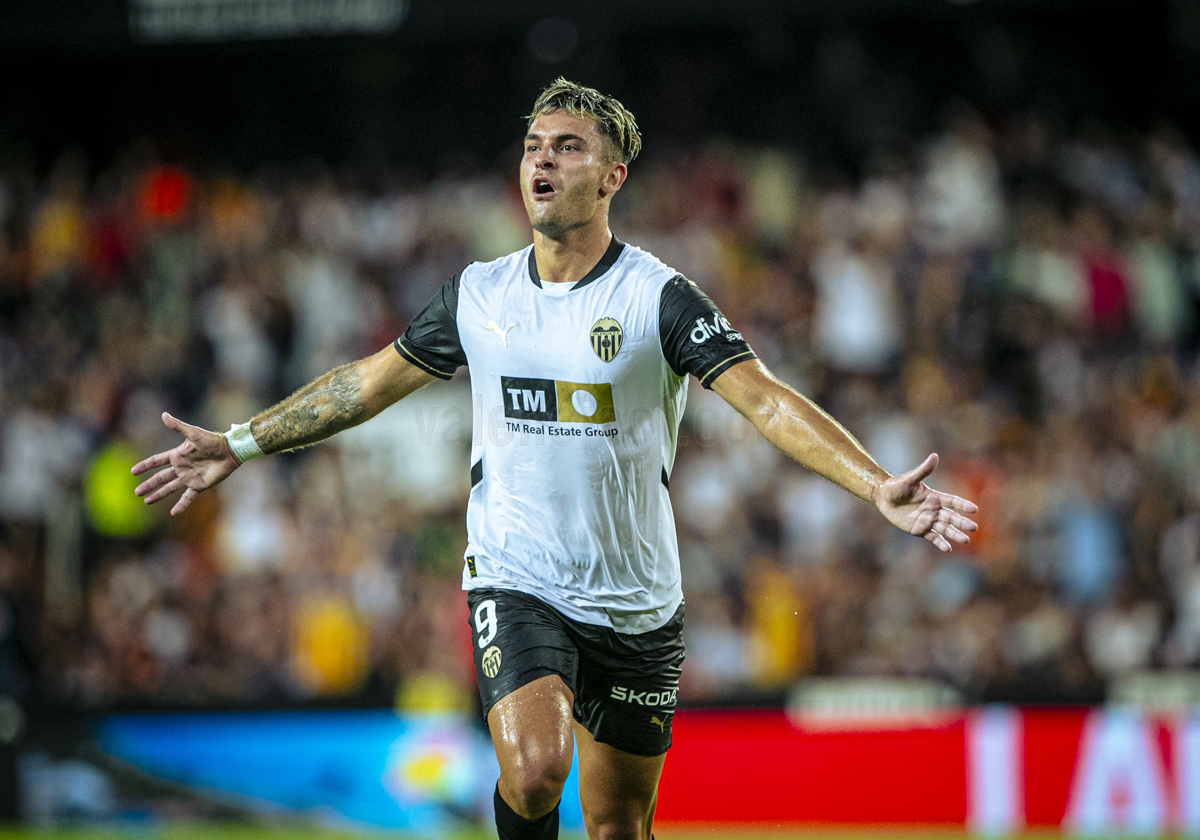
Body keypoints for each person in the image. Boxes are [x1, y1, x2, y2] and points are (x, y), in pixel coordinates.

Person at [131, 79, 979, 840]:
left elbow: (763, 398)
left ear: (612, 177)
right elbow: (365, 384)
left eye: (567, 146)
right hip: (517, 576)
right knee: (535, 775)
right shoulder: (480, 293)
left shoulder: (658, 297)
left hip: (641, 602)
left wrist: (876, 485)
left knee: (617, 827)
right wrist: (241, 442)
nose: (542, 160)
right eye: (534, 146)